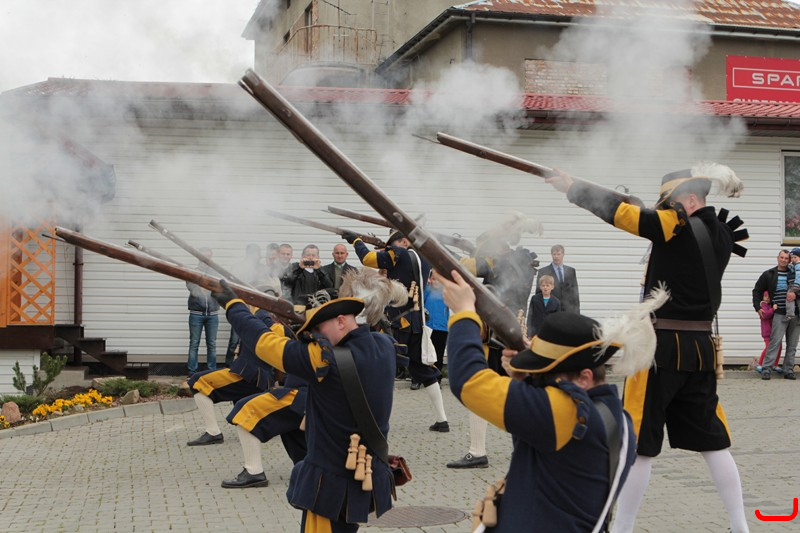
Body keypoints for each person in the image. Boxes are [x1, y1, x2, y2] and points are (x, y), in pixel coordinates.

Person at [544, 164, 750, 533]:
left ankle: (622, 529)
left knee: (638, 443)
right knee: (714, 443)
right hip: (701, 348)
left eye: (668, 203)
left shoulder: (676, 224)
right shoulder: (719, 231)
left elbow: (624, 215)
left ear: (689, 200)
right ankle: (740, 526)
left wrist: (573, 188)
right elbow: (644, 215)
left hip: (658, 350)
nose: (663, 209)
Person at [436, 269, 641, 532]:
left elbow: (468, 382)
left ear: (584, 378)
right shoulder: (617, 418)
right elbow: (535, 441)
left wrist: (464, 313)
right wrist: (525, 380)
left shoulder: (563, 411)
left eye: (546, 374)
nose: (541, 382)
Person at [211, 282, 398, 532]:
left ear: (341, 321)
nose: (316, 334)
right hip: (363, 470)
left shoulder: (324, 359)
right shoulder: (384, 345)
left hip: (331, 482)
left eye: (319, 328)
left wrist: (234, 305)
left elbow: (264, 342)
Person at [343, 229, 450, 432]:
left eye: (392, 245)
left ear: (404, 242)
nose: (389, 249)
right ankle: (442, 420)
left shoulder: (399, 253)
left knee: (381, 368)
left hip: (398, 323)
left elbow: (367, 259)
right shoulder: (424, 258)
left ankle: (375, 421)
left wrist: (356, 240)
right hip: (416, 321)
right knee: (425, 371)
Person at [752, 249, 798, 380]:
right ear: (777, 258)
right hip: (779, 313)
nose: (784, 260)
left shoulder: (795, 273)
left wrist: (796, 294)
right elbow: (757, 290)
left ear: (789, 260)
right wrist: (757, 307)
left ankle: (788, 370)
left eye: (786, 258)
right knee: (774, 342)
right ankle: (766, 369)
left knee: (792, 345)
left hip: (795, 314)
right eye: (781, 257)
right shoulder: (769, 274)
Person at [225, 244, 271, 368]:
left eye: (257, 253)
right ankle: (230, 366)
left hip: (257, 308)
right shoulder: (238, 267)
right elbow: (232, 286)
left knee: (256, 339)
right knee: (234, 340)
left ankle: (251, 368)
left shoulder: (263, 269)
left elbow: (267, 286)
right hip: (242, 307)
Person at [185, 248, 220, 376]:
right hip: (196, 313)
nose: (206, 259)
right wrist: (203, 282)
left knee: (212, 344)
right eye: (203, 257)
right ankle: (192, 372)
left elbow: (219, 289)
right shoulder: (193, 272)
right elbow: (192, 288)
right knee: (194, 343)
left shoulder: (216, 274)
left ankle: (211, 371)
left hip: (213, 315)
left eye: (208, 257)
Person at [280, 244, 334, 308]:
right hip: (298, 305)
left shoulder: (322, 270)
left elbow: (329, 285)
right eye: (308, 255)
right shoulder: (294, 267)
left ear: (318, 257)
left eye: (313, 255)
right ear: (302, 256)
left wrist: (319, 270)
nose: (310, 258)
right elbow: (287, 283)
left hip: (315, 306)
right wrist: (300, 269)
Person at [536, 244, 580, 314]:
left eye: (558, 254)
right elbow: (538, 293)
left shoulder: (571, 271)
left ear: (563, 255)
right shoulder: (543, 271)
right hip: (551, 311)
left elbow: (575, 294)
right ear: (551, 255)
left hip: (568, 311)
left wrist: (577, 314)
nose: (556, 256)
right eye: (554, 254)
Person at [755, 290, 781, 373]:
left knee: (779, 347)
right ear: (763, 297)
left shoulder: (770, 305)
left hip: (773, 332)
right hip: (767, 332)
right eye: (765, 296)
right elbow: (765, 315)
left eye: (769, 297)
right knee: (768, 348)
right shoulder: (763, 305)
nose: (767, 298)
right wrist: (773, 309)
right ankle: (759, 364)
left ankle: (775, 364)